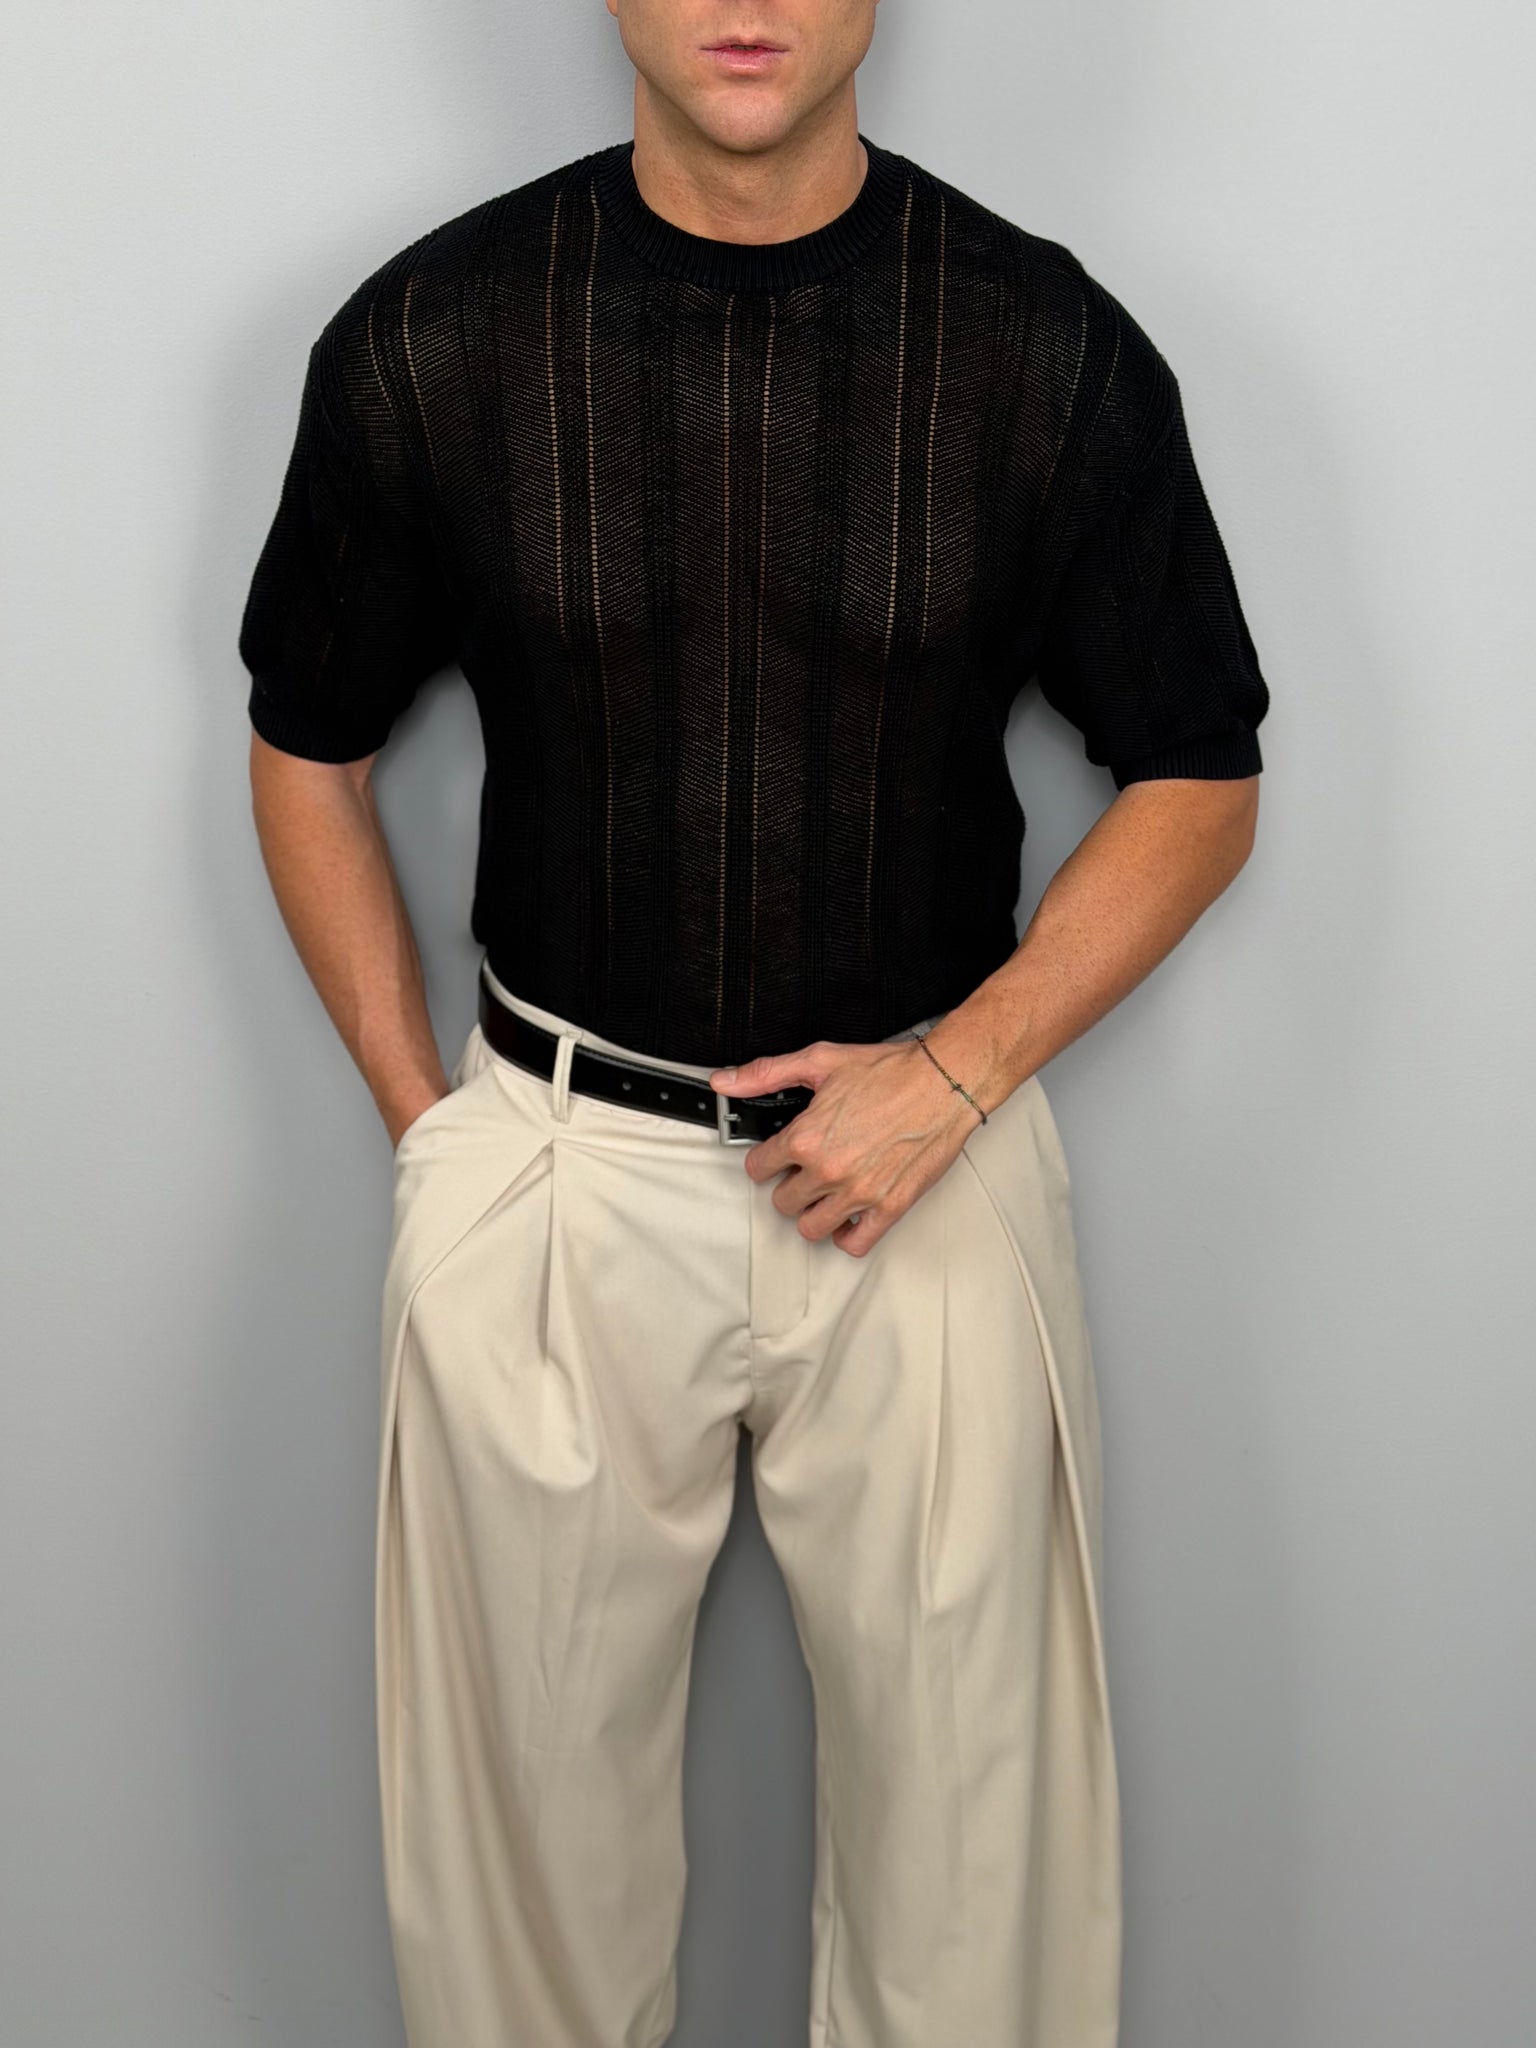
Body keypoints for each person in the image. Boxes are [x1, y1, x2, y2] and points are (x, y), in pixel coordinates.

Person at [237, 3, 1268, 2042]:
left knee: (978, 1913)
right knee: (518, 1925)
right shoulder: (436, 335)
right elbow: (305, 740)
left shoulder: (1042, 345)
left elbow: (1202, 773)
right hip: (559, 1180)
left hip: (929, 1176)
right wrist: (438, 1137)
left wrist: (955, 1074)